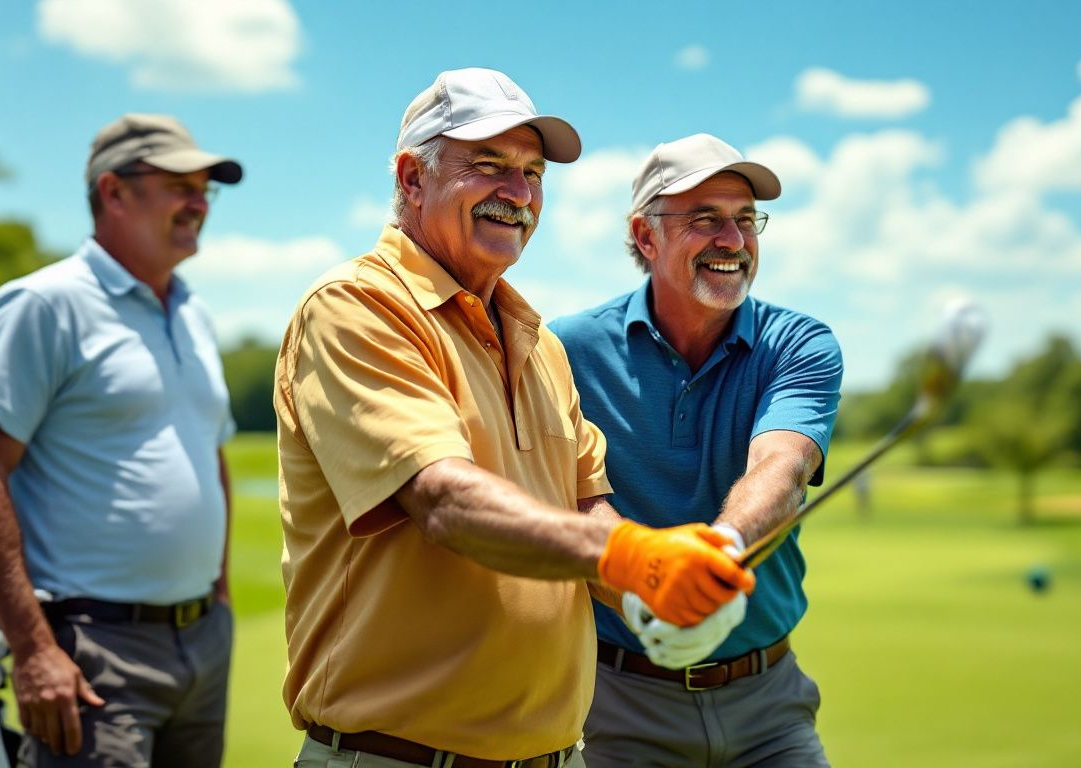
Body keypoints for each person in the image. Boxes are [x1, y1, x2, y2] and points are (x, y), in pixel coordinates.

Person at [275, 69, 754, 768]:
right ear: (412, 178)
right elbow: (442, 499)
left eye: (533, 174)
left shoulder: (541, 344)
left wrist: (657, 591)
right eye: (490, 167)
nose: (520, 195)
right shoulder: (355, 308)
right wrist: (634, 558)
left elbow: (590, 515)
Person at [0, 113, 243, 766]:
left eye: (205, 189)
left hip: (202, 641)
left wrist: (218, 600)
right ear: (114, 192)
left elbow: (208, 453)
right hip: (91, 651)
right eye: (180, 185)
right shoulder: (40, 303)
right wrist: (33, 650)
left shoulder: (192, 311)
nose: (199, 203)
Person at [551, 133, 844, 766]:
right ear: (646, 236)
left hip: (769, 705)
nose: (733, 240)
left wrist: (718, 551)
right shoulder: (563, 351)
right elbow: (571, 500)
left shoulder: (798, 343)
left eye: (745, 220)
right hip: (613, 704)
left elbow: (782, 465)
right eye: (704, 219)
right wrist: (648, 583)